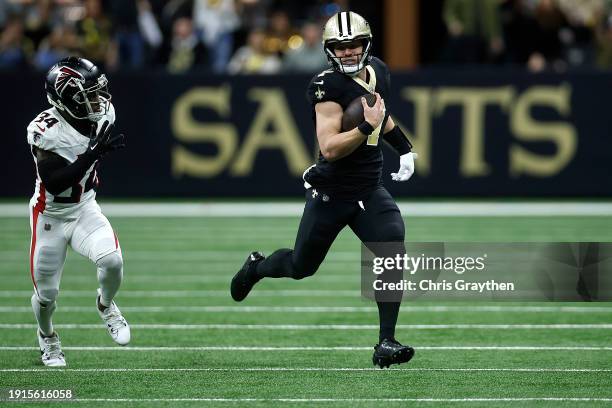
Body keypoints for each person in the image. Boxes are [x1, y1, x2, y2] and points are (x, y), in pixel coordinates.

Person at [231, 11, 417, 368]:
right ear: (330, 50)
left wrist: (405, 147)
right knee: (301, 266)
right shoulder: (326, 87)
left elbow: (381, 113)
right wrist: (365, 127)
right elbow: (330, 147)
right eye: (340, 47)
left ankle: (386, 342)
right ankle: (256, 267)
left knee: (392, 249)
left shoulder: (378, 71)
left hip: (368, 189)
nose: (348, 53)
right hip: (331, 192)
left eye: (354, 45)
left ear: (366, 45)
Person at [27, 56, 130, 367]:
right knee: (47, 294)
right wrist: (91, 155)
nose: (97, 99)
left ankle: (106, 305)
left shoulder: (103, 113)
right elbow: (54, 183)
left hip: (85, 208)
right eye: (87, 94)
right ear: (65, 99)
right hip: (51, 216)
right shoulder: (46, 129)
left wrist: (92, 154)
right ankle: (47, 337)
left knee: (112, 260)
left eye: (97, 91)